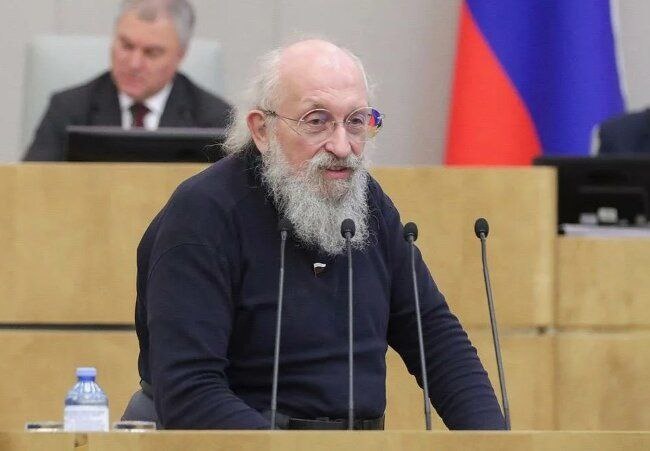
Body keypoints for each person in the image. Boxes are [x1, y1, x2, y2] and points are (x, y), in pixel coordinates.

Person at [128, 39, 506, 430]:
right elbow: (190, 393)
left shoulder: (368, 203)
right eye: (317, 121)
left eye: (356, 121)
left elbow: (436, 339)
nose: (342, 147)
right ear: (262, 129)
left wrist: (493, 442)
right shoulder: (204, 212)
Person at [24, 0, 231, 161]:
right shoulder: (69, 109)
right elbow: (31, 186)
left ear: (180, 55)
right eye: (126, 46)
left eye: (151, 53)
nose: (134, 64)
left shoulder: (214, 120)